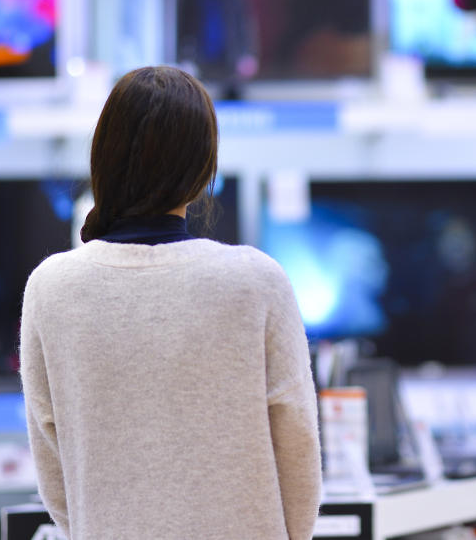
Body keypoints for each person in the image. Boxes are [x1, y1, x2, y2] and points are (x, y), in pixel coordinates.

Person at [19, 66, 321, 540]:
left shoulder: (50, 287)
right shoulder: (256, 281)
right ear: (203, 169)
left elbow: (55, 477)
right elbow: (298, 448)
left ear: (104, 157)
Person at [177, 0, 259, 95]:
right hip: (201, 61)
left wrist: (248, 54)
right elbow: (184, 30)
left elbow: (245, 25)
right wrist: (185, 58)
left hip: (230, 60)